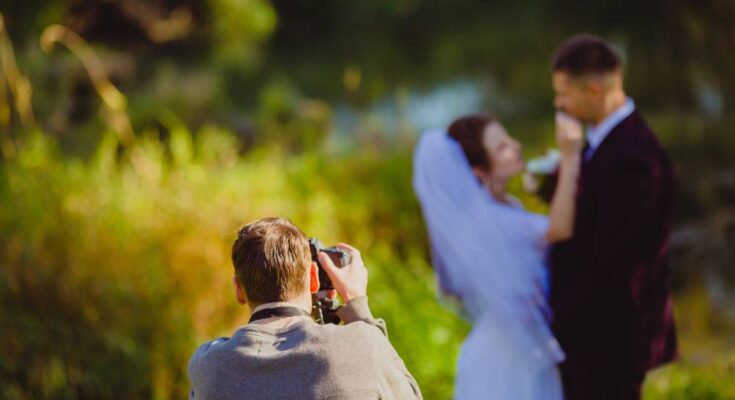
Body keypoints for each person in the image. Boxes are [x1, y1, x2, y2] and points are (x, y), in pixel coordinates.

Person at [412, 111, 583, 399]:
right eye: (501, 146)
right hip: (506, 359)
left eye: (508, 139)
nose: (515, 146)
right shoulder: (488, 221)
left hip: (512, 344)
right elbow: (559, 229)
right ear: (478, 171)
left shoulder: (505, 207)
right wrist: (570, 158)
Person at [548, 34, 678, 400]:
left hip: (607, 343)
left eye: (564, 93)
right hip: (593, 340)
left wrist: (557, 320)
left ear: (593, 89)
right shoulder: (604, 140)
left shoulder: (635, 157)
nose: (558, 103)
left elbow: (619, 265)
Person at [188, 217, 422, 400]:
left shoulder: (208, 366)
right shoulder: (362, 346)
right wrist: (360, 309)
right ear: (313, 278)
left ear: (238, 289)